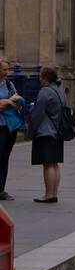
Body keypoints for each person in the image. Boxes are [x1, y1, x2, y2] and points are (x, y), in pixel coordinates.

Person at [29, 67, 66, 203]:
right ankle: (53, 193)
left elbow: (38, 114)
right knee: (54, 164)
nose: (39, 79)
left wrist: (31, 131)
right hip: (57, 131)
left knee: (48, 164)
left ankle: (48, 194)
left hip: (45, 132)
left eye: (41, 77)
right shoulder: (59, 91)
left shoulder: (45, 91)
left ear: (45, 78)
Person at [0, 60, 25, 201]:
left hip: (10, 127)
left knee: (5, 158)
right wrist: (9, 101)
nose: (7, 72)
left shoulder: (10, 84)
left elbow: (18, 106)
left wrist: (7, 102)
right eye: (4, 69)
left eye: (8, 69)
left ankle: (1, 190)